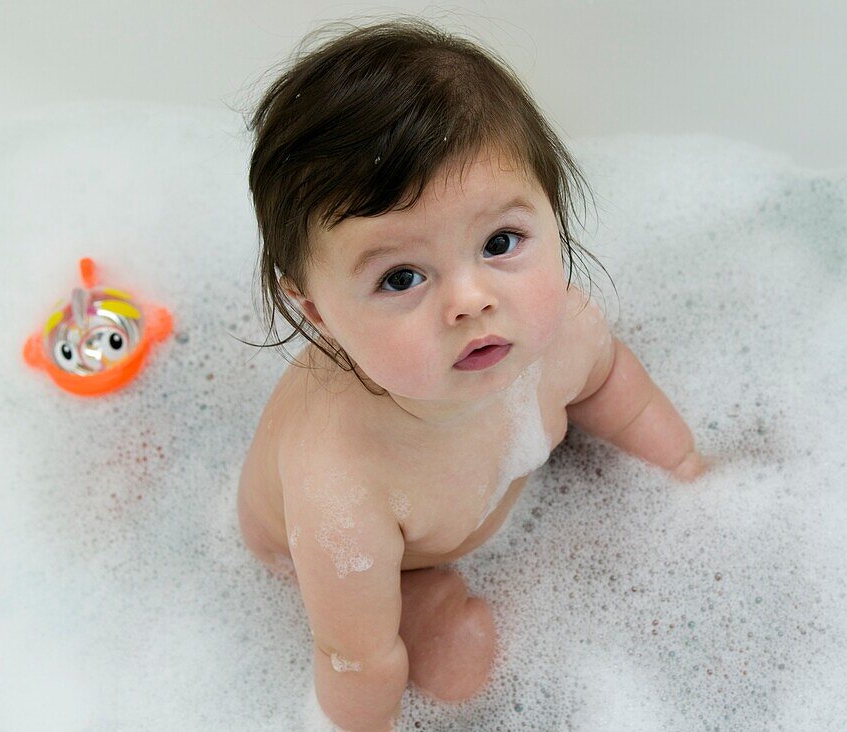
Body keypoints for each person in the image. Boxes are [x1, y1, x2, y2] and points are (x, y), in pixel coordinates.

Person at [235, 16, 710, 732]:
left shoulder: (561, 332)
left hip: (476, 497)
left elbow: (621, 393)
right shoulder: (342, 486)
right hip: (381, 571)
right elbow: (354, 659)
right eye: (401, 277)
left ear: (554, 214)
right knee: (460, 669)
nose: (471, 300)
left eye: (500, 242)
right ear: (320, 313)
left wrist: (687, 476)